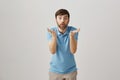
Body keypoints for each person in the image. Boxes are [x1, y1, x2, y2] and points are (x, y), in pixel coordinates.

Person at [47, 9, 80, 80]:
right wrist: (54, 37)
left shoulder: (73, 31)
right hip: (55, 71)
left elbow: (73, 51)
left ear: (68, 19)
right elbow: (52, 51)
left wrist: (71, 36)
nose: (62, 20)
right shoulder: (51, 31)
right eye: (60, 18)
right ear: (56, 19)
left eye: (65, 18)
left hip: (70, 71)